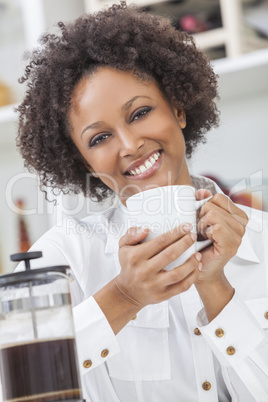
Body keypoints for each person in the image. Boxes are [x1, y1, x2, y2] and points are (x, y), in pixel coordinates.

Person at [15, 2, 268, 401]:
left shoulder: (263, 240)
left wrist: (216, 288)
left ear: (178, 108)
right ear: (83, 161)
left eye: (140, 112)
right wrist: (123, 297)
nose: (130, 146)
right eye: (99, 138)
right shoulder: (64, 258)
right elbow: (23, 386)